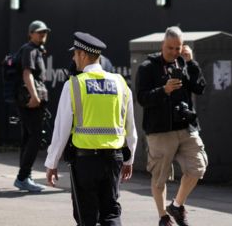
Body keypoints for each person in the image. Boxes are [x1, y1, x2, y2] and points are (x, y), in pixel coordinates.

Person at [45, 32, 137, 226]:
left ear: (83, 55)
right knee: (111, 213)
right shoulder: (120, 83)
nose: (72, 58)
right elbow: (129, 126)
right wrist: (129, 159)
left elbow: (61, 130)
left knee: (86, 216)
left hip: (85, 161)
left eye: (75, 53)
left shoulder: (74, 85)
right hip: (114, 159)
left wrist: (52, 163)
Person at [136, 26, 207, 226]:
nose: (174, 52)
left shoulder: (184, 63)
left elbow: (200, 88)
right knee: (160, 178)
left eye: (178, 48)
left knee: (197, 167)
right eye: (170, 48)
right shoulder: (147, 67)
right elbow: (141, 98)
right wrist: (164, 90)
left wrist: (191, 63)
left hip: (186, 127)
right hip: (160, 130)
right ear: (162, 45)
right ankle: (163, 217)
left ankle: (176, 205)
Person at [14, 19, 50, 192]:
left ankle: (24, 176)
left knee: (28, 138)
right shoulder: (29, 50)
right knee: (35, 137)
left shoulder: (35, 50)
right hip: (30, 101)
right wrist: (35, 96)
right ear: (31, 33)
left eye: (45, 32)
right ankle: (23, 177)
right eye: (39, 32)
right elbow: (26, 73)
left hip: (29, 100)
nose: (43, 34)